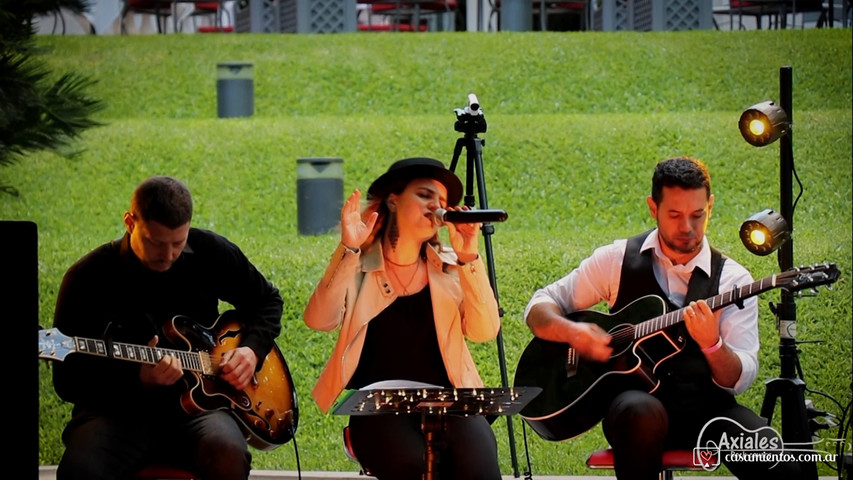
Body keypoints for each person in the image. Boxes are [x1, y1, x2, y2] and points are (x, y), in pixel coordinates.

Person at [524, 156, 801, 479]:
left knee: (783, 466)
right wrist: (574, 333)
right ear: (653, 208)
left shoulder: (733, 281)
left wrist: (712, 344)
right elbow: (540, 305)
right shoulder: (616, 259)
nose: (687, 227)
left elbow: (739, 379)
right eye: (674, 215)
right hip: (634, 410)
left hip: (709, 413)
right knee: (641, 413)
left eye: (698, 215)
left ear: (710, 206)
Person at [52, 175, 284, 480]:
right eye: (155, 243)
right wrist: (138, 379)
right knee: (80, 471)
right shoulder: (88, 277)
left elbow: (267, 300)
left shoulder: (209, 251)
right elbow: (67, 381)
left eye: (178, 243)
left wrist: (251, 350)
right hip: (116, 413)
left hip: (200, 412)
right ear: (130, 222)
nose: (168, 255)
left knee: (228, 453)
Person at [304, 157, 503, 479]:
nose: (435, 207)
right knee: (410, 466)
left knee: (479, 468)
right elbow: (319, 320)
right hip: (377, 407)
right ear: (393, 200)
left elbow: (484, 331)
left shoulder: (453, 266)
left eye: (442, 202)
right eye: (425, 195)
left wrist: (469, 255)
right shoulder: (356, 263)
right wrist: (347, 249)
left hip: (448, 402)